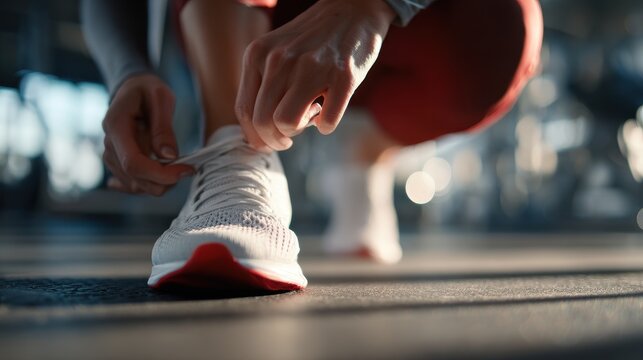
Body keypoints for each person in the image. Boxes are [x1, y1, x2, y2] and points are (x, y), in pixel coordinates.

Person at [82, 0, 543, 291]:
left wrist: (370, 4)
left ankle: (364, 154)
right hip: (237, 23)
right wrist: (128, 72)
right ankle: (238, 147)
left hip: (401, 27)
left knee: (505, 23)